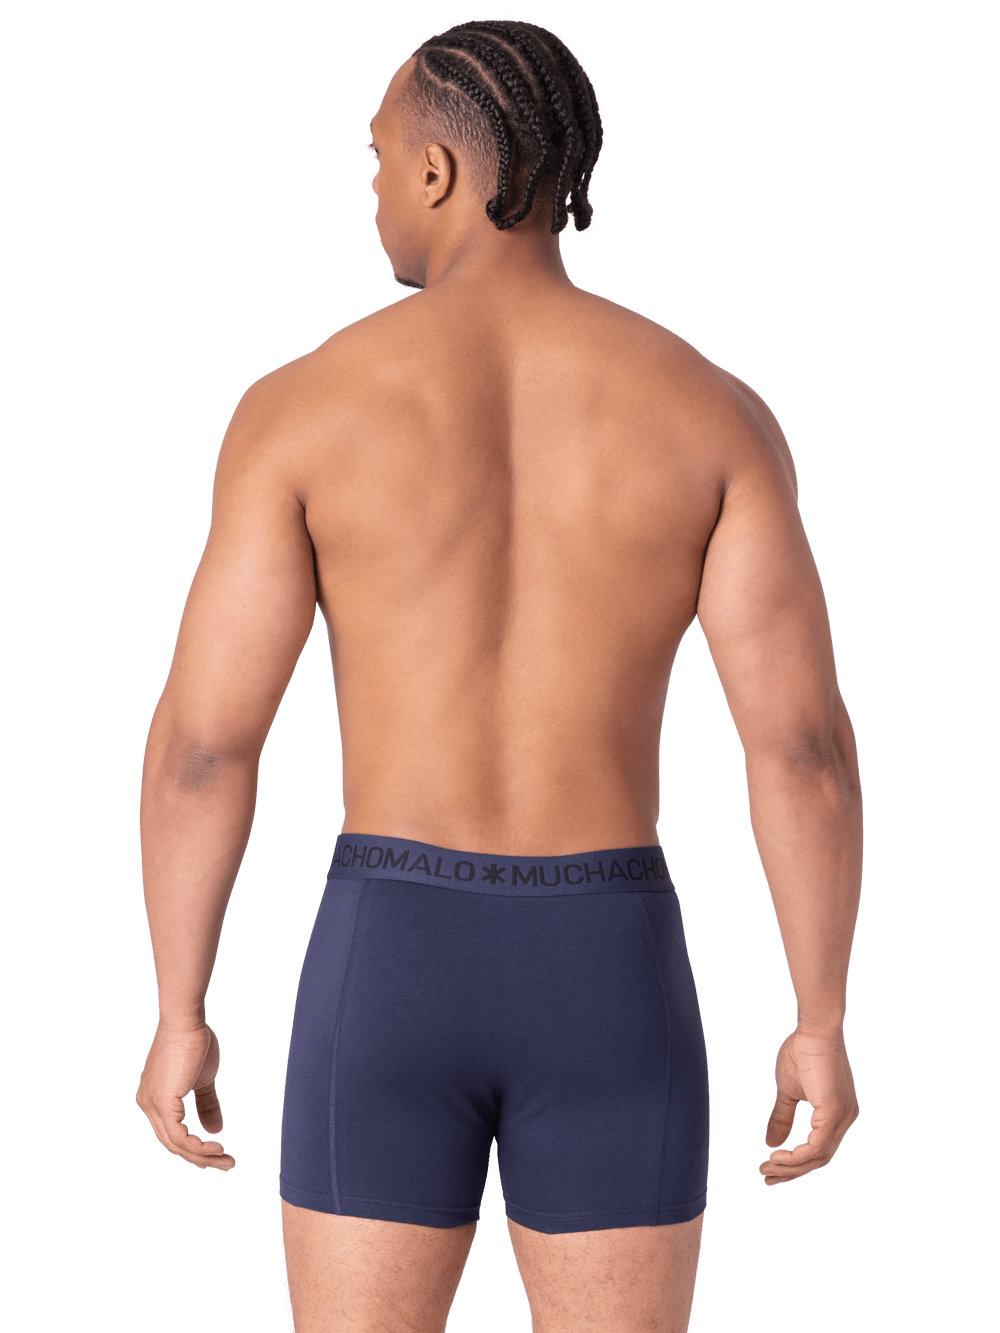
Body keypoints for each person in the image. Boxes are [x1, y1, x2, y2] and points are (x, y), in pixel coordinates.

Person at [135, 17, 862, 1333]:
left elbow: (204, 747)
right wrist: (819, 1018)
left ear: (436, 171)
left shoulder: (302, 408)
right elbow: (801, 750)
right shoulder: (711, 413)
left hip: (388, 961)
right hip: (610, 968)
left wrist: (179, 1007)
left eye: (376, 159)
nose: (373, 189)